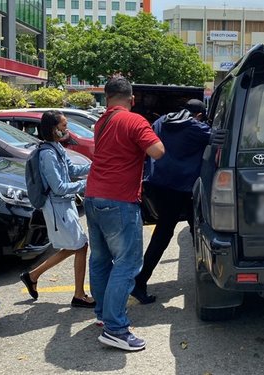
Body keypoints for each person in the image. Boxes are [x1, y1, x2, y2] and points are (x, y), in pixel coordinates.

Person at [84, 76, 165, 351]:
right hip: (119, 200)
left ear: (107, 98)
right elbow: (157, 151)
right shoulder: (134, 120)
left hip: (92, 196)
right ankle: (116, 329)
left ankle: (102, 316)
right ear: (132, 99)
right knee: (128, 264)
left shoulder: (101, 121)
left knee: (101, 259)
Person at [132, 99, 212, 304]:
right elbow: (218, 138)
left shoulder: (160, 122)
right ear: (200, 115)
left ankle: (141, 280)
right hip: (183, 187)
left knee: (174, 231)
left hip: (160, 186)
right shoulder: (195, 127)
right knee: (184, 232)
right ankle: (139, 281)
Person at [19, 110, 96, 309]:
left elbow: (71, 170)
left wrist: (96, 166)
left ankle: (33, 275)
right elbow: (59, 187)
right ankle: (78, 295)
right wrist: (88, 184)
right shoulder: (47, 154)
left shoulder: (56, 148)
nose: (66, 129)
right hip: (57, 207)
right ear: (54, 129)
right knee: (80, 246)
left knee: (77, 246)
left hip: (65, 205)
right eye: (63, 126)